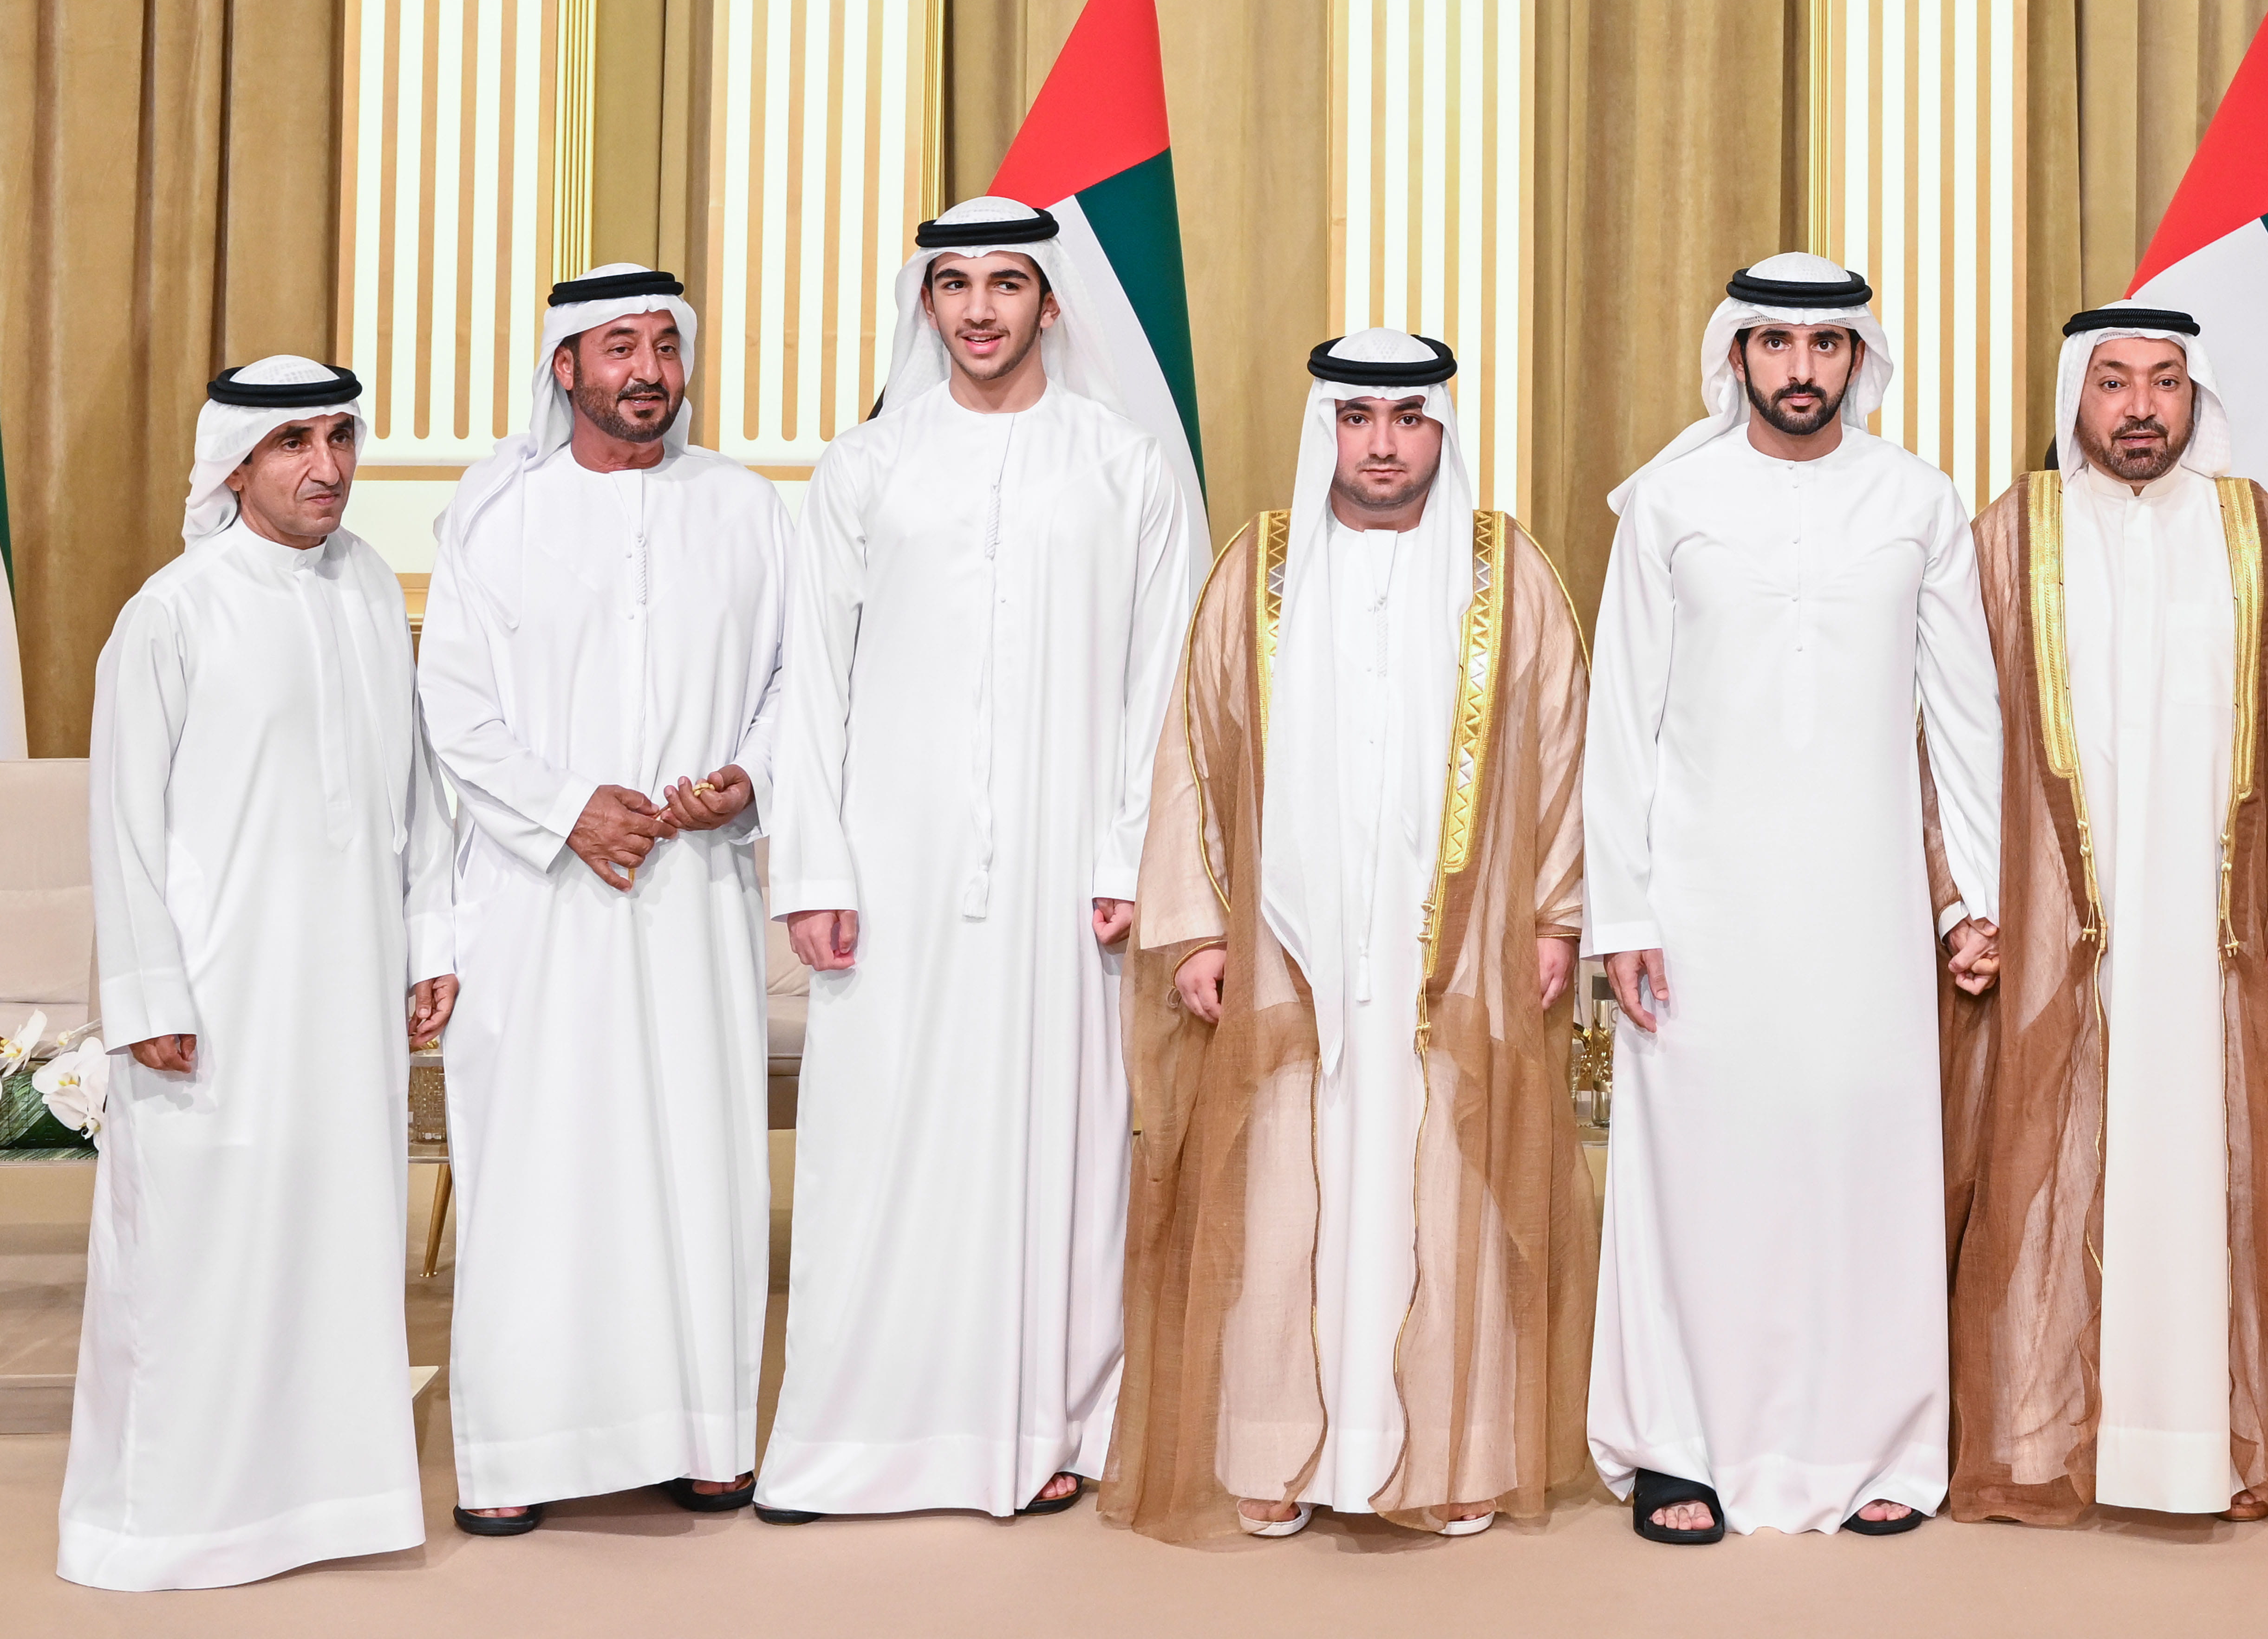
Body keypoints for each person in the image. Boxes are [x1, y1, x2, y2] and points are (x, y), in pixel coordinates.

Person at [1105, 330, 1596, 1544]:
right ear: (1326, 426)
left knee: (1452, 1186)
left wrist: (1556, 914)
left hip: (1458, 942)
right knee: (1284, 1191)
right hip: (1292, 949)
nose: (1384, 445)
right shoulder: (1259, 568)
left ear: (1443, 431)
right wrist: (1198, 931)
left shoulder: (1506, 570)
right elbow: (1192, 754)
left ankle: (1455, 1450)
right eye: (1360, 419)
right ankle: (1275, 1445)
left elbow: (1565, 749)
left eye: (1409, 420)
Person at [756, 197, 1199, 1521]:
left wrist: (1129, 853)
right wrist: (815, 871)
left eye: (1008, 283)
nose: (981, 309)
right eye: (956, 284)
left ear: (1051, 303)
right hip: (890, 874)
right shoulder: (865, 468)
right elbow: (813, 685)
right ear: (928, 303)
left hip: (1070, 877)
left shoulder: (1125, 468)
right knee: (880, 1142)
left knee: (1057, 1146)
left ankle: (1051, 1423)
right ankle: (861, 1430)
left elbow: (1162, 682)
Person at [1943, 306, 2268, 1526]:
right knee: (2047, 1169)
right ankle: (2043, 1440)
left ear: (2197, 398)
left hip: (2215, 941)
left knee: (2209, 1173)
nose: (2141, 407)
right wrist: (1962, 901)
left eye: (2165, 381)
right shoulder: (2010, 536)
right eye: (2114, 381)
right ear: (2074, 398)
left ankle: (2210, 1449)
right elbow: (1947, 735)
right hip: (2053, 930)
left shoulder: (2257, 534)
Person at [1583, 255, 2002, 1541]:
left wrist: (1975, 897)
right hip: (1703, 907)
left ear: (1858, 358)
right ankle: (1677, 1446)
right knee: (1699, 1171)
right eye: (1775, 344)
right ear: (1737, 357)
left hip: (1867, 905)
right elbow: (1622, 719)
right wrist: (1623, 912)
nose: (1801, 369)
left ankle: (1880, 1445)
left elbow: (1966, 718)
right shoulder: (1670, 501)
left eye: (1825, 346)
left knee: (1865, 1162)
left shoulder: (1918, 499)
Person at [63, 358, 456, 1590]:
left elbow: (416, 795)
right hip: (215, 1000)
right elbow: (122, 824)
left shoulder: (368, 592)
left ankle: (328, 1506)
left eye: (340, 438)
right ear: (235, 466)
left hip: (347, 994)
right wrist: (148, 996)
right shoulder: (173, 611)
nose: (327, 467)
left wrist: (429, 945)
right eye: (295, 443)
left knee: (333, 1243)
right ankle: (164, 1523)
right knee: (198, 1257)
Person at [418, 267, 791, 1535]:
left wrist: (750, 774)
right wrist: (569, 807)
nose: (646, 371)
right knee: (541, 1162)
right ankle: (522, 1457)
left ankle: (703, 1440)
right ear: (565, 368)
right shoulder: (497, 515)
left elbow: (801, 678)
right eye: (617, 347)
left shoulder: (746, 507)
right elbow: (453, 706)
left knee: (697, 1156)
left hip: (693, 891)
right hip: (538, 900)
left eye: (664, 347)